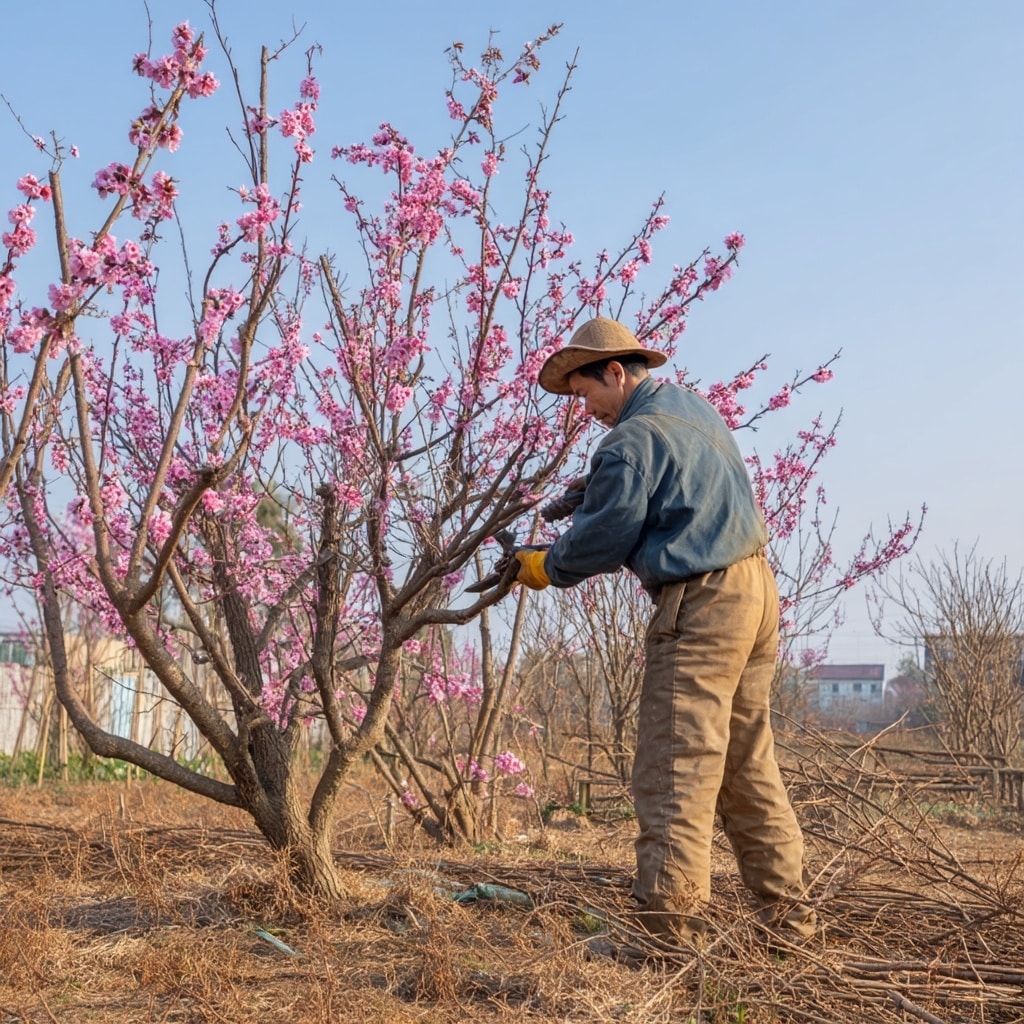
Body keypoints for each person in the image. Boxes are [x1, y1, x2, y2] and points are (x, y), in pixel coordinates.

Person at [512, 316, 818, 947]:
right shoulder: (692, 411)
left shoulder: (630, 441)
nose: (585, 408)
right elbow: (669, 484)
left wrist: (549, 563)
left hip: (702, 601)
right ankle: (789, 924)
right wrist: (590, 489)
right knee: (745, 762)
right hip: (755, 593)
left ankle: (667, 933)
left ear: (616, 372)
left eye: (586, 393)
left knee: (675, 765)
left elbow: (605, 538)